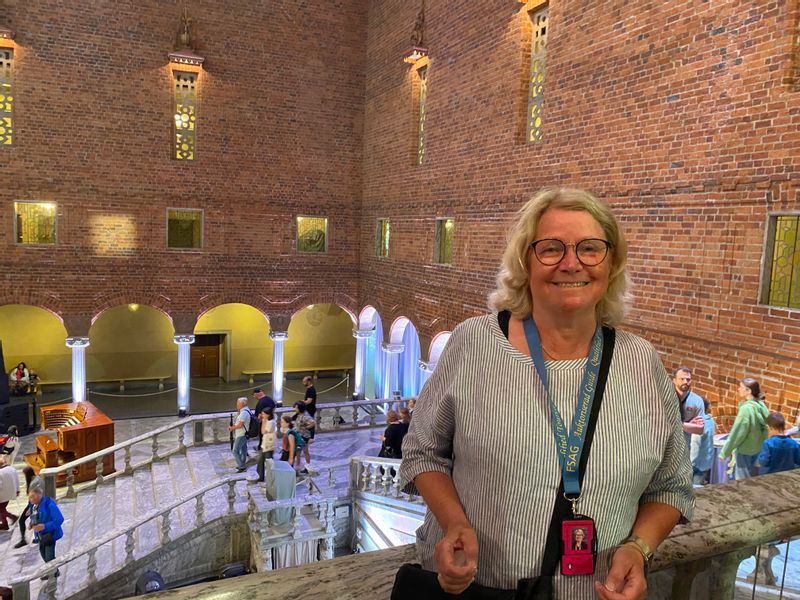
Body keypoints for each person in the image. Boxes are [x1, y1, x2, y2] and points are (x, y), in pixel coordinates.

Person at [399, 188, 694, 599]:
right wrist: (453, 523)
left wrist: (638, 547)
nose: (571, 263)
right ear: (525, 262)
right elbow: (422, 453)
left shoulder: (641, 363)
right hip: (479, 587)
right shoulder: (474, 343)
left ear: (611, 262)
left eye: (590, 248)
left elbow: (672, 485)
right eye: (551, 248)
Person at [720, 378, 769, 480]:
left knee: (742, 482)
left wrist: (725, 452)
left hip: (745, 451)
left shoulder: (746, 409)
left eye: (741, 387)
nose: (738, 389)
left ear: (748, 391)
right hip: (757, 449)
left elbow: (737, 433)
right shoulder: (761, 405)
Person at [28, 486, 64, 578]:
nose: (31, 499)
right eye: (30, 497)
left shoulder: (49, 504)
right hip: (40, 535)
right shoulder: (33, 506)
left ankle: (53, 573)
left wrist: (45, 526)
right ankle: (52, 571)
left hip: (49, 534)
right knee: (43, 552)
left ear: (39, 495)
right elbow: (34, 516)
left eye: (33, 497)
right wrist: (31, 523)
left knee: (49, 556)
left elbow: (59, 519)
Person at [672, 367, 705, 447]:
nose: (685, 382)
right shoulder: (665, 397)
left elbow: (700, 429)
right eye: (682, 379)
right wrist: (688, 425)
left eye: (688, 379)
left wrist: (677, 425)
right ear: (674, 380)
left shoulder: (697, 400)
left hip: (684, 447)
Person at [689, 399, 716, 486]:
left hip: (696, 465)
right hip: (706, 462)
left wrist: (690, 463)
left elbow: (695, 445)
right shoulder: (710, 421)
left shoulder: (699, 423)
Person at [13, 467, 40, 548]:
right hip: (32, 504)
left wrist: (30, 508)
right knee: (34, 520)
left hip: (34, 505)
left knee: (24, 520)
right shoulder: (35, 480)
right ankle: (31, 538)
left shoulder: (33, 483)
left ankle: (24, 540)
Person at [291, 402, 317, 474]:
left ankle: (300, 468)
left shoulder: (305, 416)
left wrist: (305, 427)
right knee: (302, 452)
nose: (295, 409)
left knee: (300, 452)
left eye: (296, 408)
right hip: (299, 436)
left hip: (303, 437)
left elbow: (313, 423)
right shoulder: (298, 415)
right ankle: (304, 467)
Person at [228, 397, 251, 473]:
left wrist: (232, 428)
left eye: (238, 403)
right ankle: (242, 463)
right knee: (243, 449)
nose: (237, 404)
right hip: (244, 433)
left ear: (243, 404)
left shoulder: (244, 413)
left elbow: (240, 425)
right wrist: (238, 411)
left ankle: (241, 466)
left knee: (235, 450)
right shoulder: (245, 410)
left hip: (241, 434)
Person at [256, 409, 277, 483]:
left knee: (269, 462)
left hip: (269, 445)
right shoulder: (267, 421)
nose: (262, 415)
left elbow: (263, 431)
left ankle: (271, 478)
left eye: (263, 414)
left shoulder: (271, 422)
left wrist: (263, 421)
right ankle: (260, 476)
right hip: (265, 444)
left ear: (268, 414)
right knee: (260, 460)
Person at [0, 456, 19, 531]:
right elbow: (17, 480)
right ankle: (4, 524)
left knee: (1, 509)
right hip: (12, 492)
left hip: (2, 494)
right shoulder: (12, 468)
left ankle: (12, 517)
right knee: (2, 508)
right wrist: (17, 490)